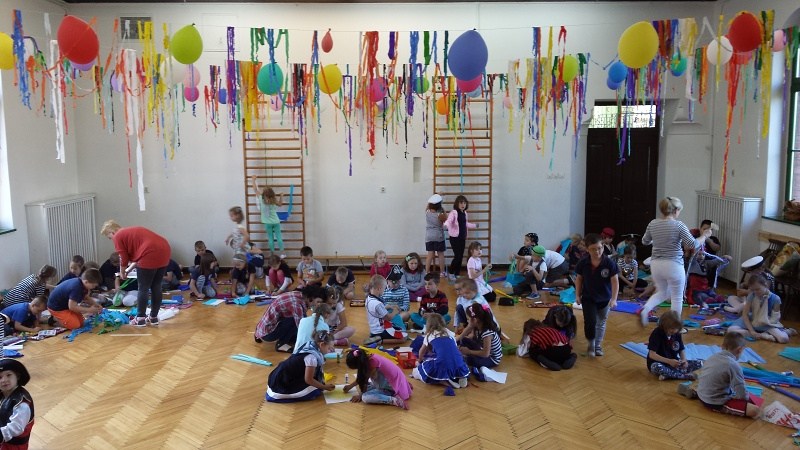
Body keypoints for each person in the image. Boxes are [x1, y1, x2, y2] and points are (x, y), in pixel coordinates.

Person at [639, 197, 707, 326]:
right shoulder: (679, 225)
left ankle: (645, 309)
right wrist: (704, 236)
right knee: (677, 297)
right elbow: (692, 244)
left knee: (663, 292)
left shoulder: (653, 223)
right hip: (673, 265)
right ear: (675, 210)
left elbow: (645, 241)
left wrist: (658, 239)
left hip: (656, 265)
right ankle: (675, 326)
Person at [101, 220, 171, 327]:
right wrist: (128, 270)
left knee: (143, 288)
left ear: (112, 232)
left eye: (109, 237)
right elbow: (139, 257)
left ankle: (140, 318)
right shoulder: (130, 233)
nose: (111, 240)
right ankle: (153, 317)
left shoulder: (118, 236)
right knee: (156, 286)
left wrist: (122, 272)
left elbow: (123, 258)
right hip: (164, 250)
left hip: (149, 253)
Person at [680, 331, 760, 418]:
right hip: (715, 402)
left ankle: (694, 393)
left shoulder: (713, 356)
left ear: (722, 346)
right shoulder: (733, 365)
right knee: (754, 410)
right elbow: (740, 390)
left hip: (702, 393)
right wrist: (746, 401)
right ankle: (701, 397)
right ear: (740, 350)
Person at [575, 233, 619, 357]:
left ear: (603, 247)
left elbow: (615, 281)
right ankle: (591, 343)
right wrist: (577, 295)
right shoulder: (583, 263)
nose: (597, 251)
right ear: (587, 249)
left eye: (599, 248)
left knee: (601, 323)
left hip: (604, 299)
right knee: (590, 322)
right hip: (588, 298)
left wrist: (614, 299)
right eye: (593, 249)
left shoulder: (609, 263)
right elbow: (579, 279)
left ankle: (597, 345)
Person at [266, 331, 335, 403]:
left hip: (282, 376)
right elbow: (309, 380)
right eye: (329, 348)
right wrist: (324, 387)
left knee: (318, 383)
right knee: (315, 390)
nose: (331, 350)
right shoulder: (311, 357)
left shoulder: (310, 345)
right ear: (322, 344)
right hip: (280, 384)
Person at [254, 284, 327, 352]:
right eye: (318, 302)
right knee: (295, 320)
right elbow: (302, 326)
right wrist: (315, 340)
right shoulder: (297, 304)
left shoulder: (300, 295)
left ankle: (289, 339)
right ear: (311, 298)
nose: (318, 305)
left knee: (298, 320)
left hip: (264, 328)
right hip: (268, 333)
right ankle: (281, 344)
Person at [727, 274, 791, 343]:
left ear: (765, 285)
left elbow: (775, 319)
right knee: (730, 331)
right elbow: (745, 314)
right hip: (752, 319)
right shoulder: (752, 295)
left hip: (767, 323)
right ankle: (762, 335)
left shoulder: (776, 299)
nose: (755, 292)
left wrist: (762, 323)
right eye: (753, 290)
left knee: (783, 339)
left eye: (757, 289)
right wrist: (752, 331)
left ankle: (786, 331)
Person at [412, 313, 470, 388]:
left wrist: (420, 360)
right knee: (453, 363)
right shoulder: (449, 332)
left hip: (443, 364)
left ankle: (444, 381)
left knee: (417, 371)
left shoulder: (430, 335)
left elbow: (421, 351)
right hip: (458, 363)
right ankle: (460, 376)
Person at [343, 348, 412, 409]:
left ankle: (394, 400)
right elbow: (362, 378)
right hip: (391, 381)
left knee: (365, 397)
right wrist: (350, 386)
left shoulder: (372, 363)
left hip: (392, 387)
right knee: (364, 387)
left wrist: (360, 396)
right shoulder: (369, 358)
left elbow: (364, 379)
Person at [647, 311, 702, 380]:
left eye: (676, 328)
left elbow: (681, 349)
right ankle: (682, 376)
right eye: (672, 328)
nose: (674, 331)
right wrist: (669, 361)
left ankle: (669, 374)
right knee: (656, 367)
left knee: (699, 363)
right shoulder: (657, 333)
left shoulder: (677, 333)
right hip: (659, 363)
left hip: (674, 363)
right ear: (664, 326)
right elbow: (652, 355)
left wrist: (684, 360)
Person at [456, 303, 502, 374]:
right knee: (464, 339)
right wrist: (454, 340)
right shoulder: (477, 325)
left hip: (491, 358)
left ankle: (465, 358)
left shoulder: (487, 333)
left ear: (475, 320)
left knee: (470, 360)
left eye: (468, 319)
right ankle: (463, 353)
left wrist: (469, 351)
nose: (468, 321)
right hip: (482, 349)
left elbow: (486, 353)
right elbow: (462, 336)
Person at [364, 274, 407, 346]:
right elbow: (388, 318)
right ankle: (379, 341)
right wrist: (395, 311)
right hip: (380, 331)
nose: (384, 291)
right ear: (379, 289)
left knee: (397, 327)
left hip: (373, 330)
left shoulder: (369, 299)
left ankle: (375, 337)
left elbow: (376, 312)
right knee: (404, 338)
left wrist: (387, 307)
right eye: (384, 289)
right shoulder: (377, 304)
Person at [0, 359, 35, 448]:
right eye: (0, 377)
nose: (4, 380)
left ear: (17, 376)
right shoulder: (2, 393)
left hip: (14, 445)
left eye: (9, 375)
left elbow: (16, 428)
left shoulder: (22, 403)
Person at [443, 195, 476, 280]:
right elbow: (449, 221)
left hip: (462, 237)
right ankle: (451, 273)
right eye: (461, 203)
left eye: (464, 203)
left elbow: (465, 224)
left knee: (460, 256)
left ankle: (457, 273)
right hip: (454, 238)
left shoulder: (464, 213)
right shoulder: (454, 212)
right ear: (457, 204)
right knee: (457, 256)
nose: (463, 205)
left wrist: (474, 225)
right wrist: (446, 225)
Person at [251, 176, 285, 257]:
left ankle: (272, 253)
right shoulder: (274, 200)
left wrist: (253, 179)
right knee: (279, 237)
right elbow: (280, 204)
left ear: (264, 194)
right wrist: (281, 196)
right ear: (272, 195)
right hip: (276, 222)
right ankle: (283, 253)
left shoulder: (261, 199)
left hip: (267, 223)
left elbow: (255, 189)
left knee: (270, 238)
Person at [425, 194, 448, 278]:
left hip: (429, 236)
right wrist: (443, 210)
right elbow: (446, 220)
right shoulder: (440, 213)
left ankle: (427, 271)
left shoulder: (427, 211)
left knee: (430, 254)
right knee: (440, 254)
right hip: (438, 236)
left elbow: (428, 205)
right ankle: (442, 272)